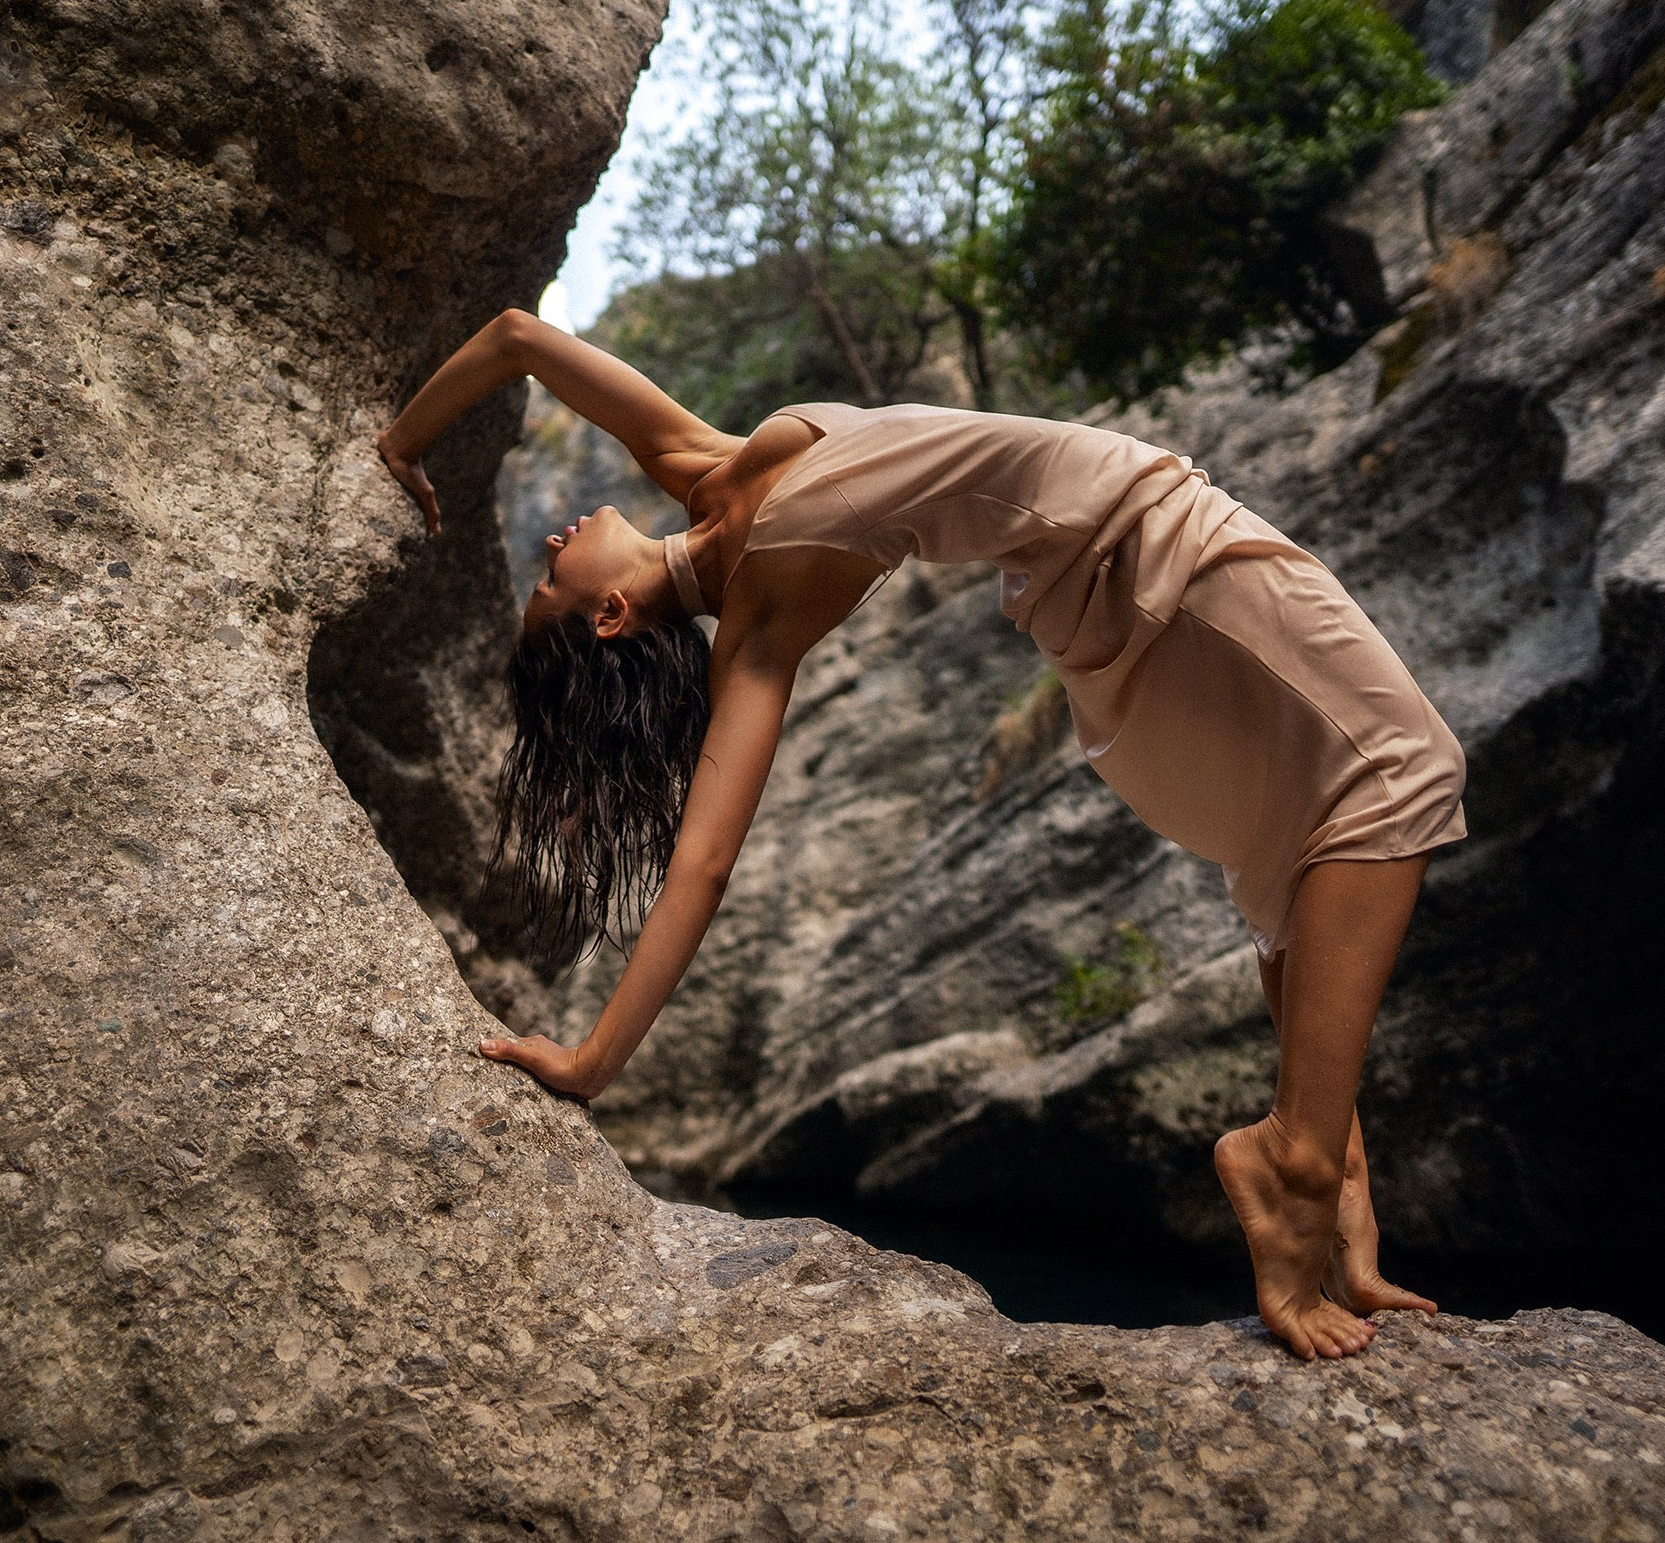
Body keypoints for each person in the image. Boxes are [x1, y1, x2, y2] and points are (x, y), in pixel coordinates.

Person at [375, 309, 1467, 1360]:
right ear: (609, 616)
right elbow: (703, 863)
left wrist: (400, 447)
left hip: (1115, 557)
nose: (551, 546)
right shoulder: (758, 622)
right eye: (547, 585)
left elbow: (517, 338)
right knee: (1405, 767)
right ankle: (1298, 1163)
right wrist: (591, 1062)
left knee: (1312, 828)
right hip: (1141, 541)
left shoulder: (702, 469)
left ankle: (1334, 1197)